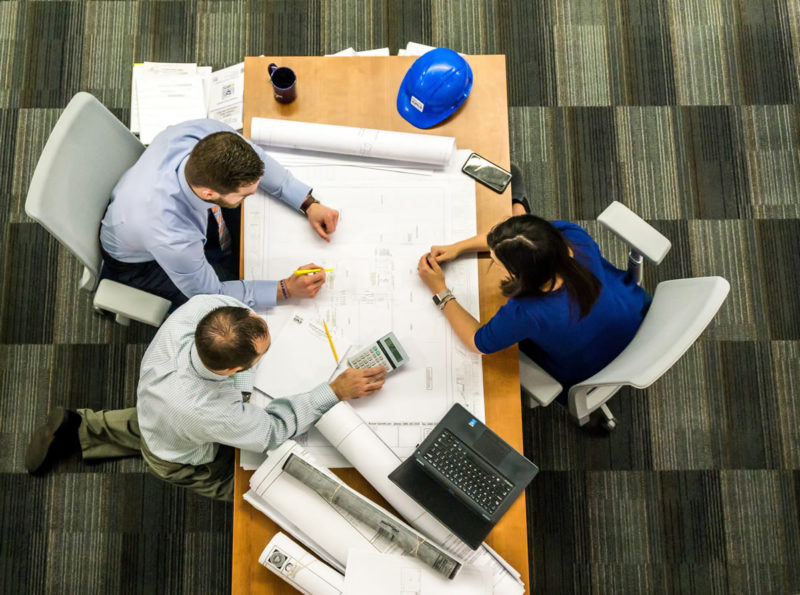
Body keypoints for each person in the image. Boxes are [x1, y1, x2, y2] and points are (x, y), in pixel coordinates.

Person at [24, 295, 387, 501]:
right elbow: (272, 431)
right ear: (231, 370)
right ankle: (87, 432)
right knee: (252, 487)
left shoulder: (203, 310)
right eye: (261, 355)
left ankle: (81, 427)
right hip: (179, 454)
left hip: (157, 404)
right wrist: (334, 390)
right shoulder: (210, 412)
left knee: (154, 422)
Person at [416, 168, 651, 403]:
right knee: (514, 176)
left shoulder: (527, 312)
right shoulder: (571, 236)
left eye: (498, 263)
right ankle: (519, 209)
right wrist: (458, 247)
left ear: (523, 276)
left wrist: (440, 290)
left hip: (591, 367)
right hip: (635, 315)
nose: (494, 263)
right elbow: (514, 239)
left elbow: (478, 342)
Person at [100, 119, 341, 309]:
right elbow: (211, 294)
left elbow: (259, 159)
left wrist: (307, 202)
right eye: (245, 194)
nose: (253, 195)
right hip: (140, 264)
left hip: (144, 204)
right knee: (226, 311)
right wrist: (285, 289)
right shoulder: (171, 235)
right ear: (208, 193)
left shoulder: (206, 134)